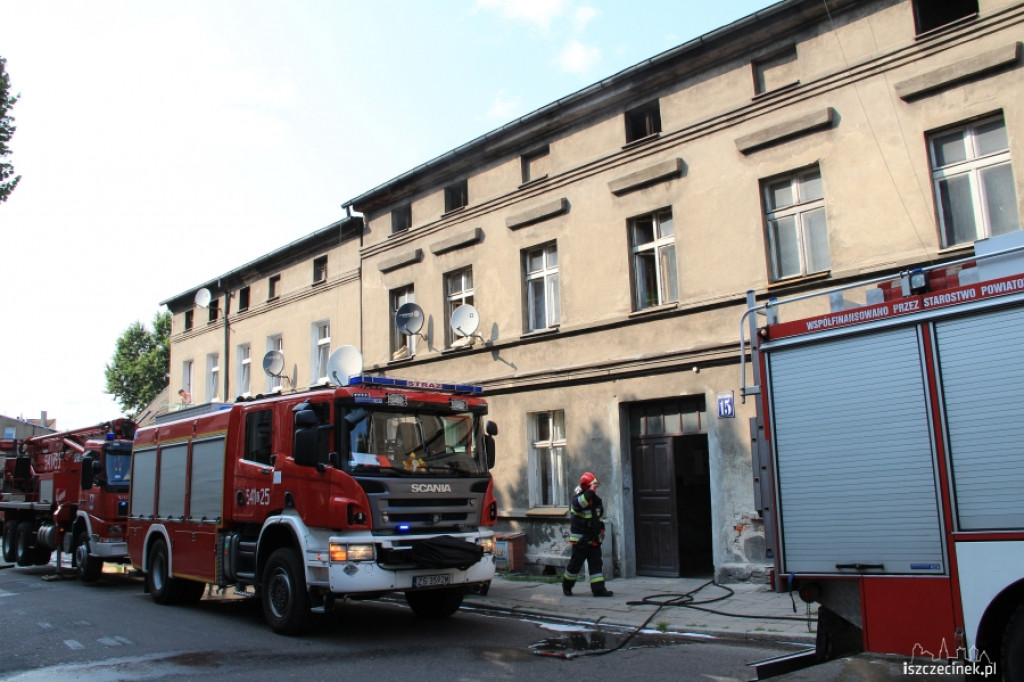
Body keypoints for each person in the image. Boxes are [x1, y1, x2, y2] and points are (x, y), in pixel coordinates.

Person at [562, 472, 613, 597]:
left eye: (595, 487)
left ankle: (598, 589)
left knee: (596, 564)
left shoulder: (596, 501)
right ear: (586, 486)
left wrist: (602, 530)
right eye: (593, 486)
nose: (595, 489)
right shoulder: (577, 499)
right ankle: (567, 586)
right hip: (581, 541)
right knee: (575, 565)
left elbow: (598, 518)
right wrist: (590, 490)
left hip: (594, 539)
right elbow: (581, 503)